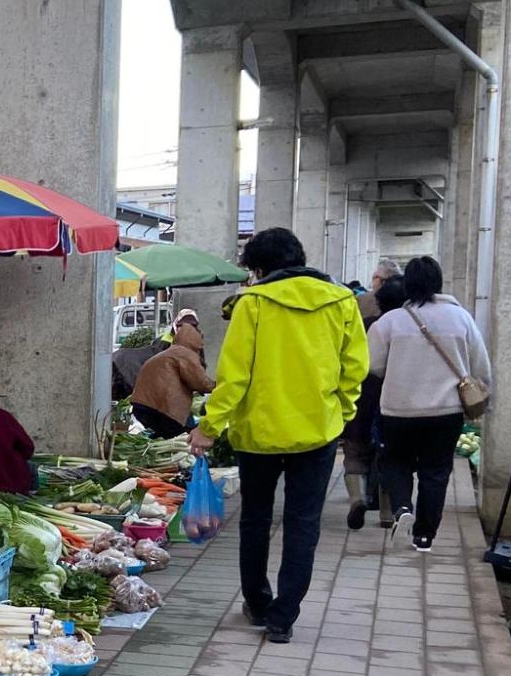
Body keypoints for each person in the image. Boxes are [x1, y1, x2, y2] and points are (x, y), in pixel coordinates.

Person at [191, 227, 368, 644]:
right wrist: (339, 414)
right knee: (303, 524)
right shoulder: (342, 301)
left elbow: (235, 377)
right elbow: (355, 368)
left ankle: (257, 602)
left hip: (258, 434)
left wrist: (208, 426)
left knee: (255, 519)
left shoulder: (251, 304)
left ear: (258, 267)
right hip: (317, 434)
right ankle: (283, 618)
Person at [369, 255, 491, 553]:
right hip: (446, 412)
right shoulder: (461, 318)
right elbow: (481, 367)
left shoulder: (390, 322)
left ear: (406, 284)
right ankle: (424, 537)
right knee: (435, 472)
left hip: (399, 410)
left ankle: (401, 508)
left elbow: (373, 366)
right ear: (438, 283)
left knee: (395, 461)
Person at [340, 259, 403, 528]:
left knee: (355, 448)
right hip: (395, 391)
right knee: (388, 452)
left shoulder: (359, 305)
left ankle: (357, 498)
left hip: (362, 388)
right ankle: (387, 513)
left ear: (379, 279)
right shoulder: (408, 313)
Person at [130, 316, 214, 439]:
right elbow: (199, 382)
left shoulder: (170, 351)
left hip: (142, 405)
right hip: (163, 408)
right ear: (195, 341)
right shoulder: (186, 354)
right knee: (182, 434)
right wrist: (219, 386)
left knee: (163, 437)